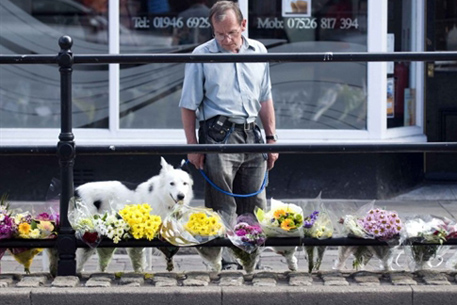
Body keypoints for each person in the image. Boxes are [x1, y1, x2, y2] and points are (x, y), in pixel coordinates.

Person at [179, 1, 279, 270]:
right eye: (219, 33)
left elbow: (265, 98)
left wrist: (271, 139)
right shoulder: (201, 55)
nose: (225, 39)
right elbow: (188, 106)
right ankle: (224, 261)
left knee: (255, 202)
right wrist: (193, 146)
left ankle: (250, 258)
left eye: (231, 32)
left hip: (252, 134)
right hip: (218, 135)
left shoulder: (259, 51)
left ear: (243, 25)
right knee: (222, 202)